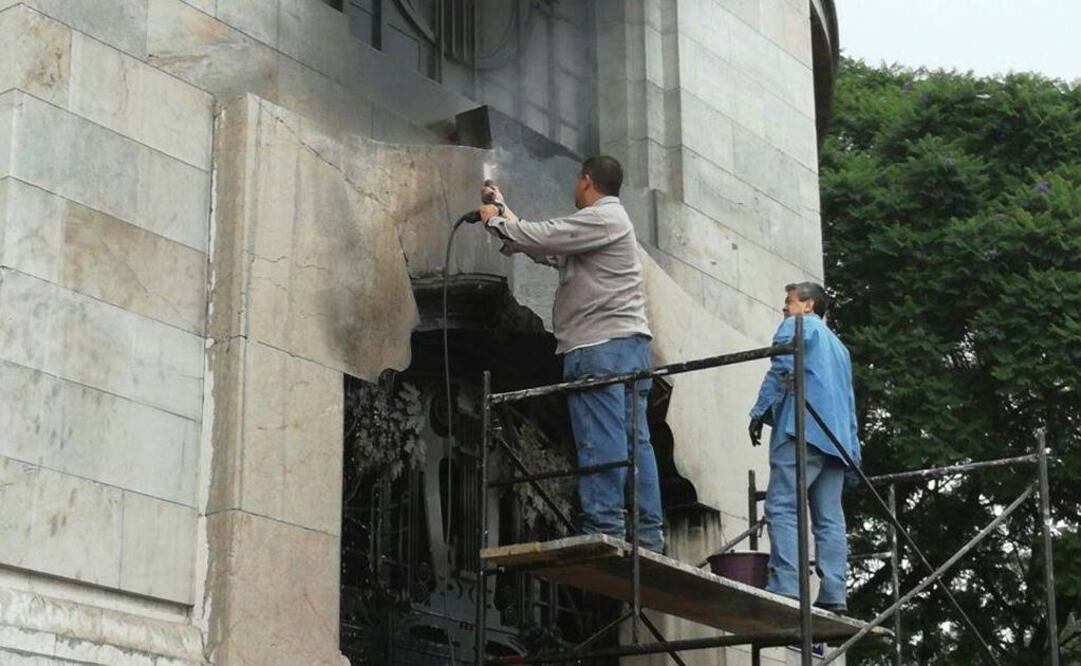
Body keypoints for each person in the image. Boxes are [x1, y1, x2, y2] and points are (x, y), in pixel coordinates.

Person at [467, 156, 664, 552]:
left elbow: (545, 236)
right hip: (626, 349)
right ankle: (648, 534)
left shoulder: (601, 218)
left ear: (586, 181)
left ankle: (605, 526)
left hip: (599, 349)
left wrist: (495, 223)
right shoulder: (606, 226)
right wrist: (504, 212)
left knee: (600, 438)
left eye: (576, 181)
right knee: (634, 443)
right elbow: (547, 247)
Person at [748, 282, 860, 612]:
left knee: (782, 505)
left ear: (808, 305)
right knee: (829, 518)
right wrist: (853, 455)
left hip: (802, 429)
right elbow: (849, 403)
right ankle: (834, 592)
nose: (784, 308)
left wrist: (758, 413)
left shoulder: (797, 325)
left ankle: (787, 584)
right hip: (836, 441)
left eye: (790, 301)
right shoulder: (841, 349)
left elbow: (781, 368)